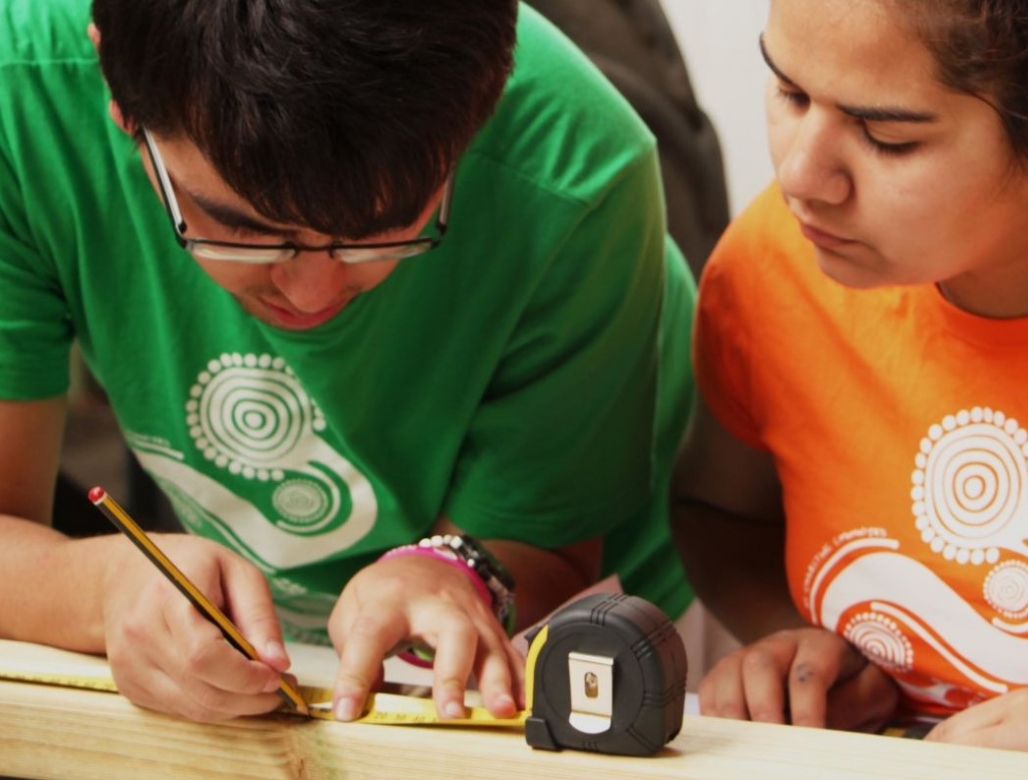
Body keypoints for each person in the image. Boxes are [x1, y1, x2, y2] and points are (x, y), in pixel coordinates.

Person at [0, 0, 696, 725]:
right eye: (240, 228)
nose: (312, 292)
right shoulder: (18, 100)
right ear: (119, 90)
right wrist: (101, 589)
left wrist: (457, 571)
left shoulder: (577, 173)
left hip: (594, 638)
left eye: (383, 226)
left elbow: (545, 544)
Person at [671, 0, 1028, 767]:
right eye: (791, 94)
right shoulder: (775, 263)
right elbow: (719, 511)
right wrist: (794, 643)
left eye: (887, 138)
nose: (801, 177)